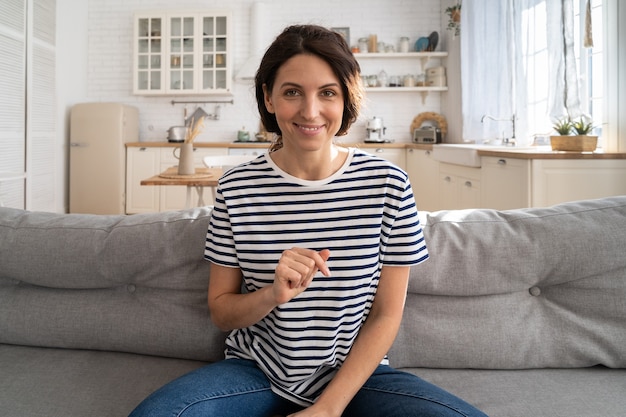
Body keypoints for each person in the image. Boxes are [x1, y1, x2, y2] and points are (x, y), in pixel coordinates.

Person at [129, 24, 487, 417]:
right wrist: (272, 294)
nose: (310, 111)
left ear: (345, 98)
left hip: (358, 377)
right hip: (256, 371)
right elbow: (221, 311)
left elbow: (387, 314)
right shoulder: (237, 187)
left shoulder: (387, 184)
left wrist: (328, 409)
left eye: (327, 93)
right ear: (268, 98)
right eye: (292, 92)